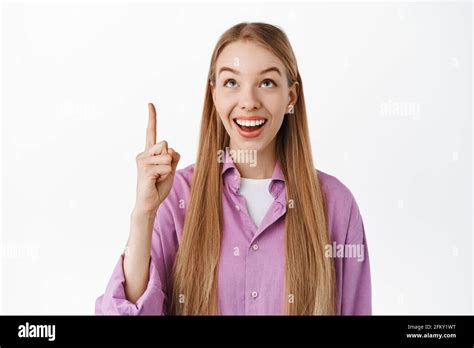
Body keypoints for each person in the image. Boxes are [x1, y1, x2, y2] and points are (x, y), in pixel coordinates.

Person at [95, 22, 371, 315]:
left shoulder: (336, 204)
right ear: (213, 94)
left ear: (291, 96)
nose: (249, 102)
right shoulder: (176, 196)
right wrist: (143, 215)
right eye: (231, 83)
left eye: (266, 83)